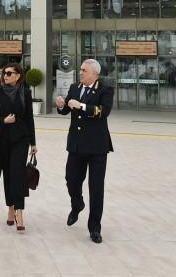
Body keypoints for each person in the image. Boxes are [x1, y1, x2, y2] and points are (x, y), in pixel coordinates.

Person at [55, 58, 114, 244]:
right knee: (71, 180)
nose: (80, 73)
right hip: (77, 145)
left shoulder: (105, 88)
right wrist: (61, 105)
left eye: (84, 70)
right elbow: (66, 111)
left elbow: (103, 111)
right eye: (80, 70)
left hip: (97, 147)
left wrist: (81, 106)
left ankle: (94, 227)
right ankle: (77, 204)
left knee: (96, 189)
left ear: (94, 74)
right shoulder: (74, 87)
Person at [0, 63, 37, 232]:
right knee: (7, 175)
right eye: (4, 73)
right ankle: (10, 208)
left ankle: (20, 211)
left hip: (20, 139)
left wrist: (33, 143)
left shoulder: (26, 93)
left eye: (8, 73)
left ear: (18, 75)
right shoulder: (0, 92)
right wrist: (3, 120)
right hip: (2, 139)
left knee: (18, 174)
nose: (5, 76)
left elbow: (29, 118)